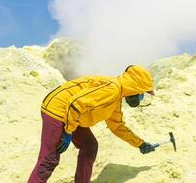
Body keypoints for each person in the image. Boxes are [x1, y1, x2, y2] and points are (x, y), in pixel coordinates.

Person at [28, 65, 156, 183]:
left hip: (72, 115)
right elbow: (76, 104)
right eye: (142, 94)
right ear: (136, 88)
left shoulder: (116, 100)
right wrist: (68, 131)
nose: (140, 98)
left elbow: (117, 127)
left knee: (89, 146)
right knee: (50, 158)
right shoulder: (112, 89)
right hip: (57, 110)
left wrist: (140, 143)